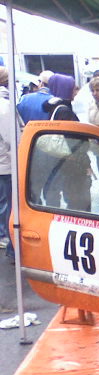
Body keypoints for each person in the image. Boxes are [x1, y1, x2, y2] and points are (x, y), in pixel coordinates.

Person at [40, 74, 92, 211]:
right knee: (78, 201)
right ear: (65, 89)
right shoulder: (65, 111)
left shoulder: (55, 107)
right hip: (71, 164)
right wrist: (85, 163)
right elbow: (73, 141)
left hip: (62, 161)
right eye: (73, 88)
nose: (76, 91)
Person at [0, 68, 13, 251]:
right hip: (5, 163)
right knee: (6, 202)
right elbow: (11, 138)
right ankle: (3, 235)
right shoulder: (4, 106)